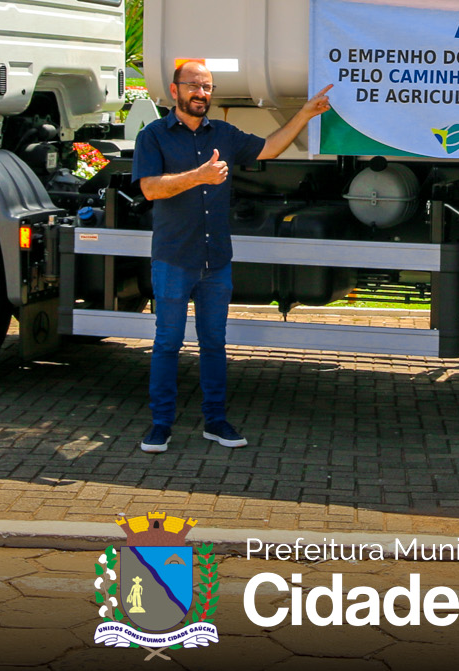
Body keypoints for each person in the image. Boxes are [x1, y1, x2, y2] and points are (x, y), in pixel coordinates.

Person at [131, 60, 333, 453]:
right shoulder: (152, 136)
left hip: (215, 260)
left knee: (214, 343)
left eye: (207, 87)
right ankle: (160, 425)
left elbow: (270, 147)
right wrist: (198, 176)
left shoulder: (223, 133)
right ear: (174, 91)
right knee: (167, 343)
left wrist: (305, 114)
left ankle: (216, 420)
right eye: (193, 86)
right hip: (173, 258)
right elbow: (151, 189)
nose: (201, 94)